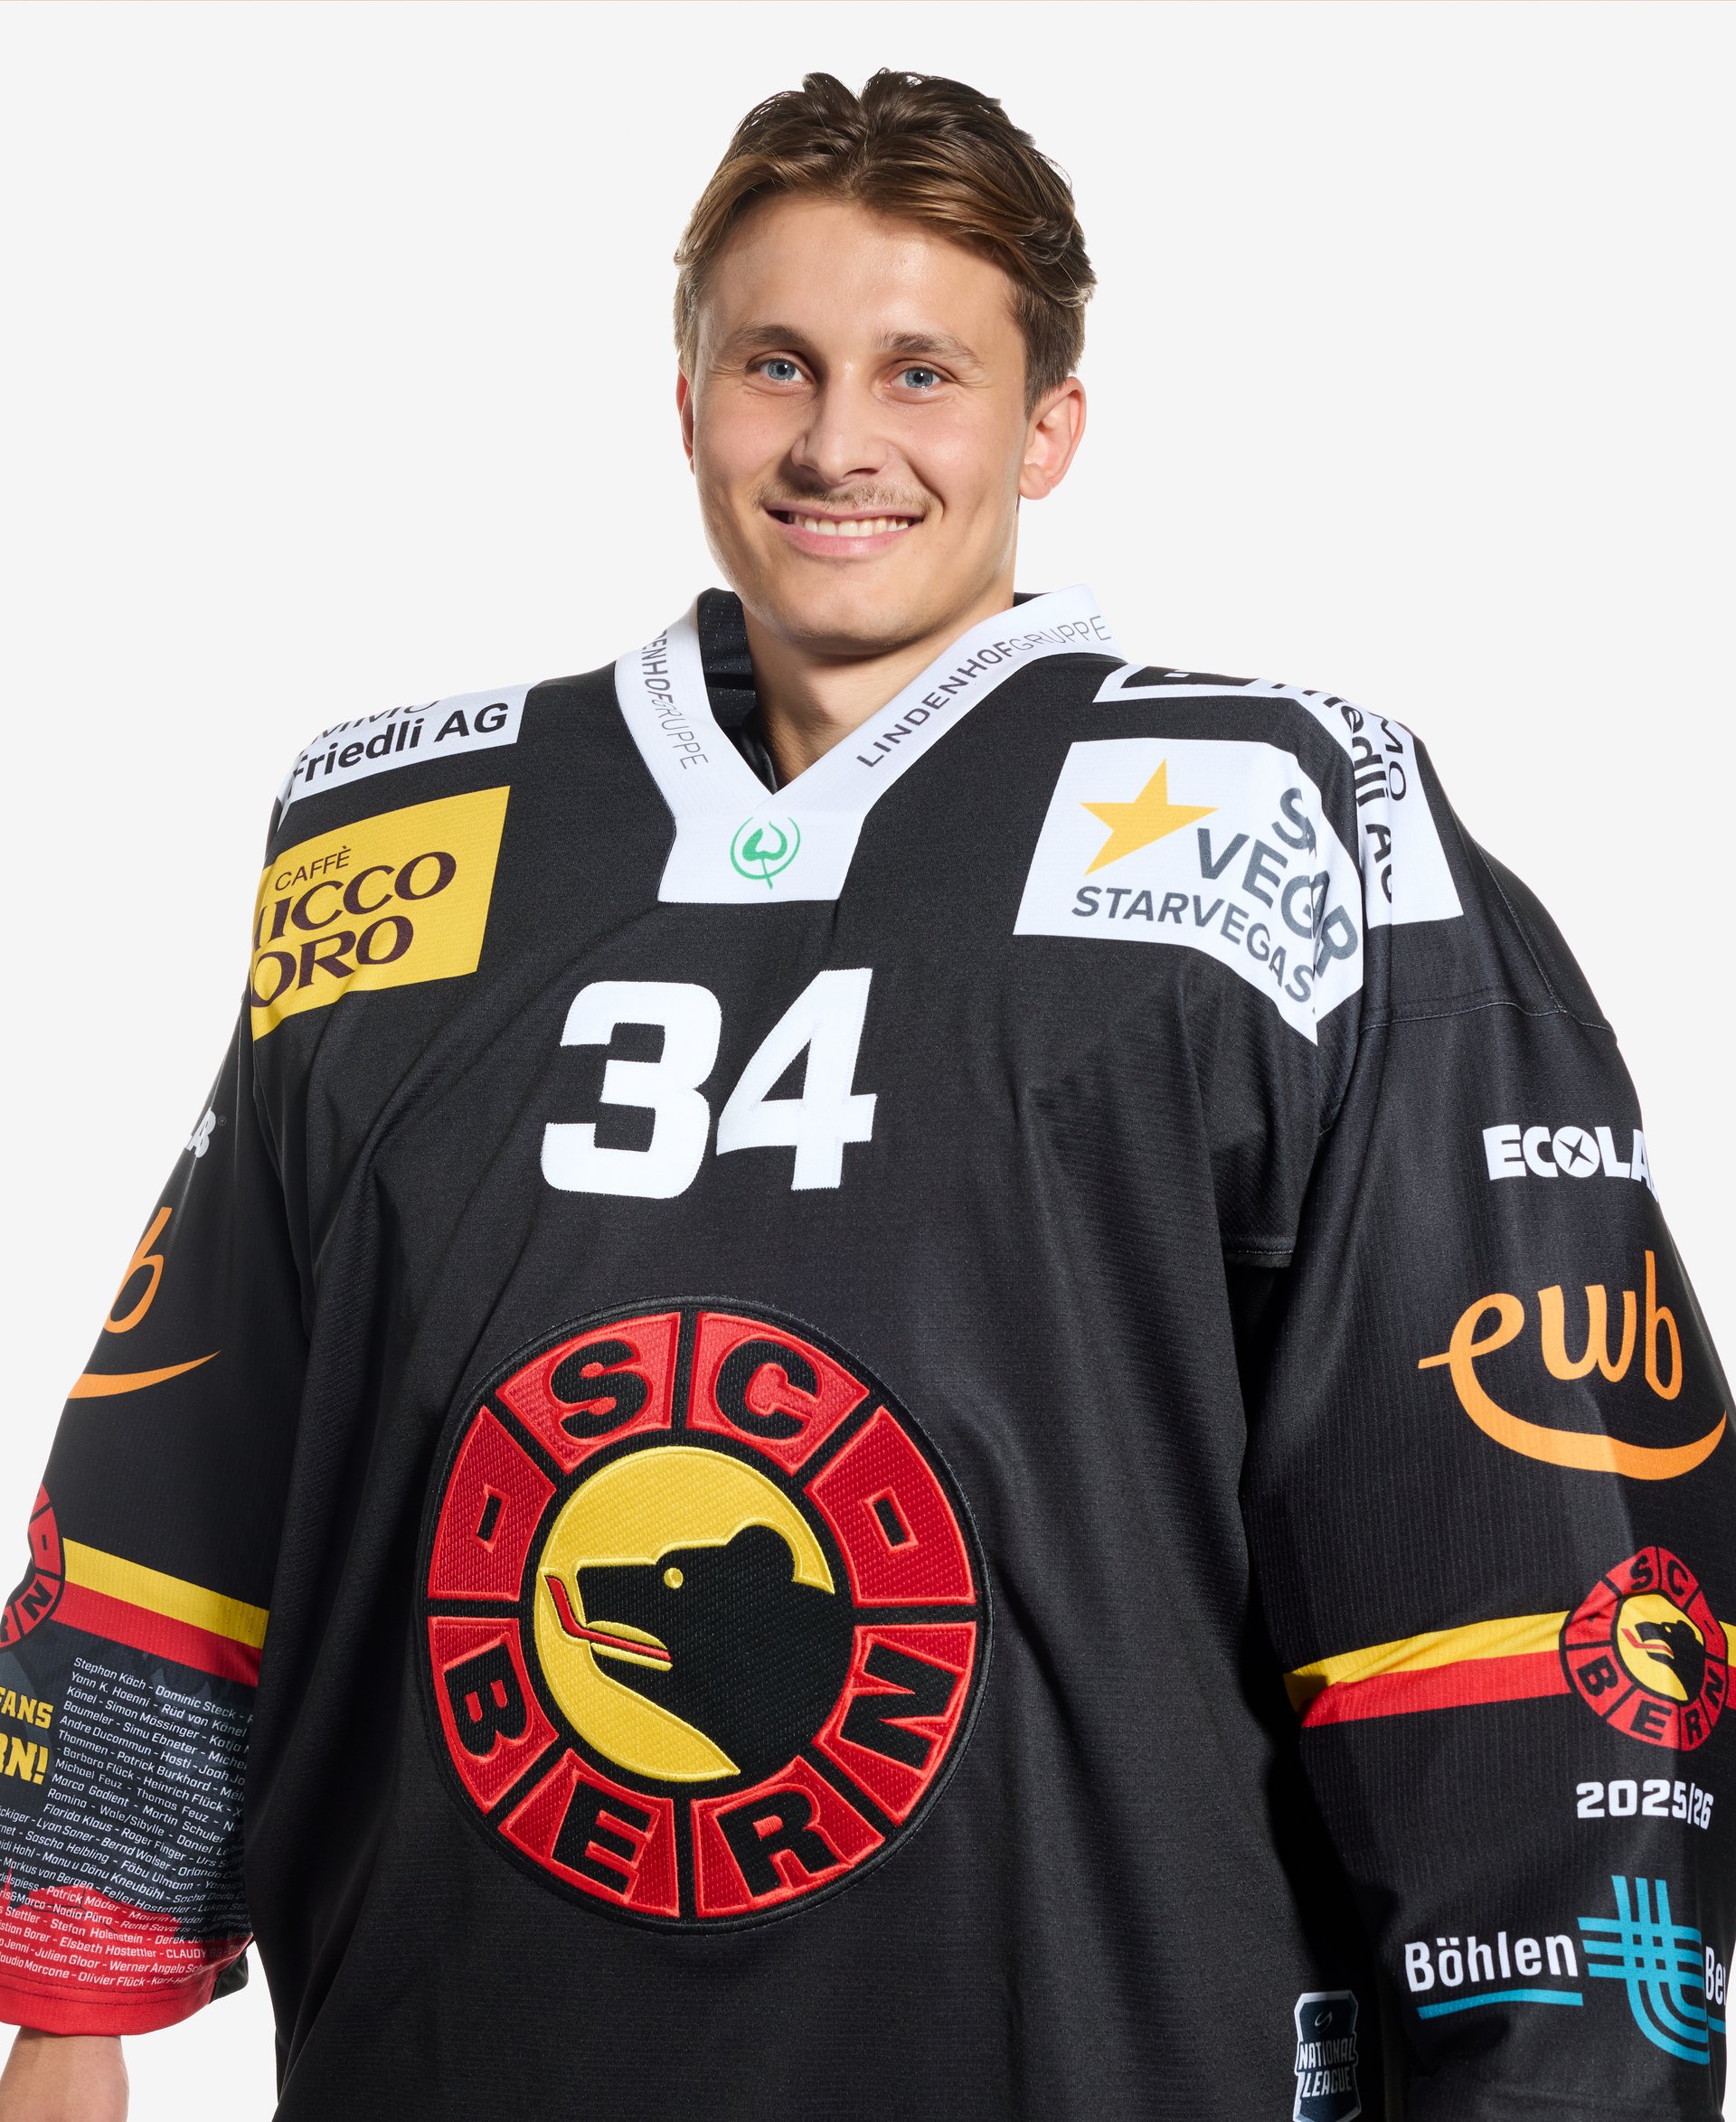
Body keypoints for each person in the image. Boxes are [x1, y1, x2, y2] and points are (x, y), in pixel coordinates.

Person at [0, 66, 1728, 2122]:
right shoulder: (394, 832)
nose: (838, 443)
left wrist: (1564, 2086)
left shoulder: (1296, 820)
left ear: (1049, 423)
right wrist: (69, 1995)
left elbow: (1512, 1553)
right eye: (777, 366)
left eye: (923, 372)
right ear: (686, 400)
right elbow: (194, 1451)